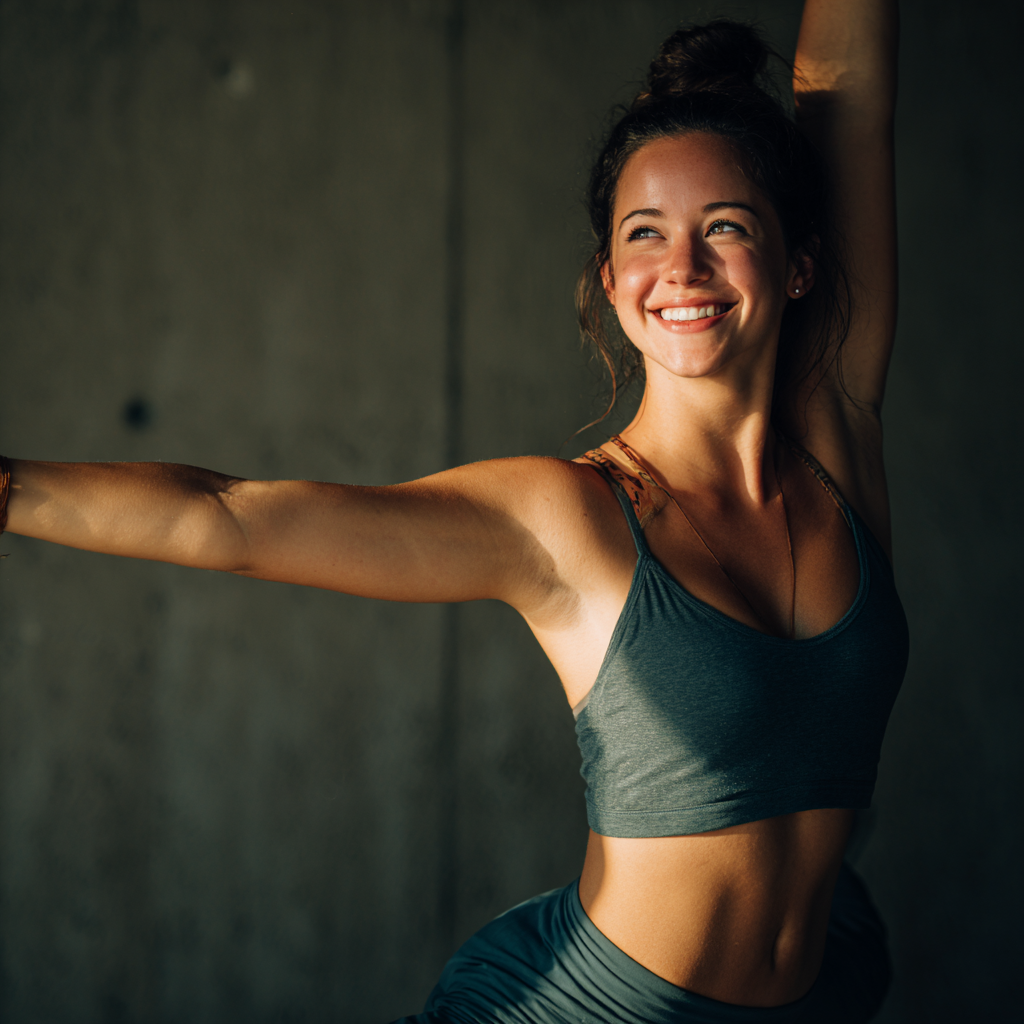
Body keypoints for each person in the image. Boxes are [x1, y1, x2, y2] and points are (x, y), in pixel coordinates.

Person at [0, 1, 904, 1021]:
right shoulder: (567, 518)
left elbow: (851, 104)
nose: (682, 269)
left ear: (797, 266)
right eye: (643, 235)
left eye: (725, 228)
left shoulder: (838, 431)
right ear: (608, 283)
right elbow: (230, 516)